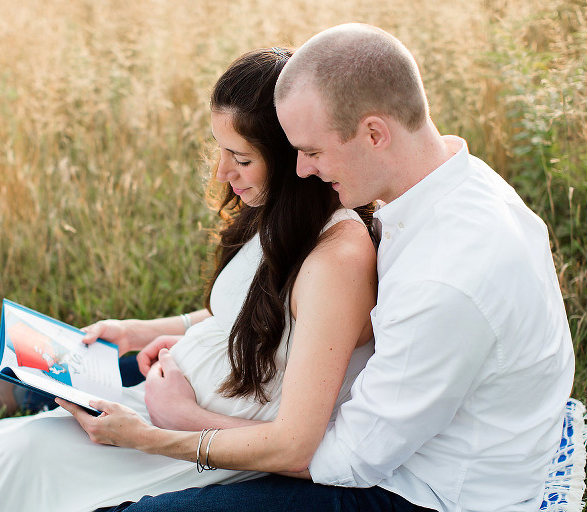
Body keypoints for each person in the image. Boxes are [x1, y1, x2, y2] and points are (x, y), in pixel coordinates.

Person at [0, 47, 380, 512]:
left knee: (29, 461)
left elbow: (295, 443)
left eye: (240, 157)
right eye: (219, 151)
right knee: (25, 447)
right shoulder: (279, 214)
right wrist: (141, 331)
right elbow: (248, 314)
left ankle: (15, 401)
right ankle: (17, 399)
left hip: (207, 448)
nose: (221, 174)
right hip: (168, 405)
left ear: (293, 157)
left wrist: (162, 425)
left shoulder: (336, 259)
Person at [55, 24, 576, 512]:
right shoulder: (457, 184)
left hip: (425, 493)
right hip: (400, 448)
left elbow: (344, 459)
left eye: (312, 151)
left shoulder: (446, 276)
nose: (301, 169)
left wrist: (168, 431)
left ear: (375, 133)